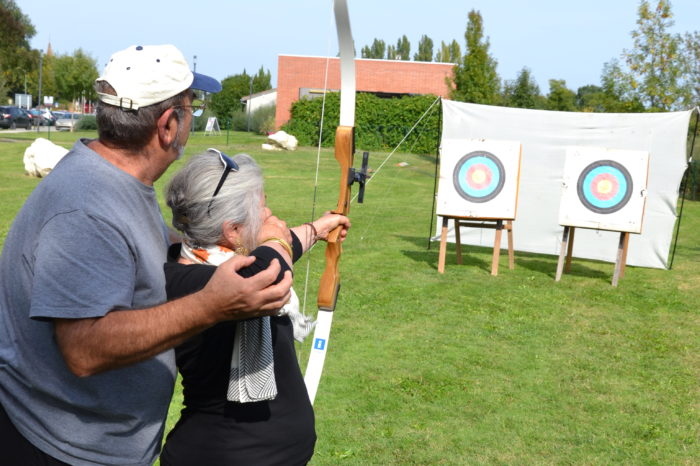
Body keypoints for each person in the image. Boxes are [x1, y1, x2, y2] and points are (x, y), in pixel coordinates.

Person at [0, 44, 292, 465]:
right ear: (169, 125)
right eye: (190, 109)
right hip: (59, 448)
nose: (191, 118)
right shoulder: (86, 206)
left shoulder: (115, 182)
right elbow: (85, 349)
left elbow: (144, 249)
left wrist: (227, 243)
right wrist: (212, 304)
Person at [158, 149, 350, 465]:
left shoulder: (220, 260)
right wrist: (276, 239)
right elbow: (271, 267)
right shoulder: (191, 282)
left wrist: (317, 228)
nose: (268, 212)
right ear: (232, 231)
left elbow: (274, 253)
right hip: (221, 454)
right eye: (261, 208)